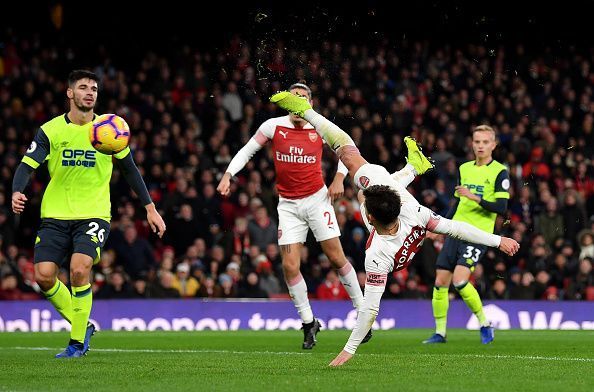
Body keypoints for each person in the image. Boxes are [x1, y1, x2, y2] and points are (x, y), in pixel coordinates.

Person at [269, 91, 519, 367]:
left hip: (394, 249)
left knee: (349, 152)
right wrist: (498, 240)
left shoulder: (375, 254)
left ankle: (310, 114)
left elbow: (370, 309)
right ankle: (413, 167)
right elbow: (457, 228)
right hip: (405, 230)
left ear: (370, 219)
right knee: (362, 167)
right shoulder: (415, 211)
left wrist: (348, 351)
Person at [218, 83, 430, 349]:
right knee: (289, 267)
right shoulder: (273, 126)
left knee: (336, 257)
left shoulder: (317, 127)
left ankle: (361, 313)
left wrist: (339, 178)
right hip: (288, 205)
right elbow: (249, 149)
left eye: (304, 98)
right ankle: (309, 323)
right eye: (294, 97)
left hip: (318, 200)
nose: (298, 102)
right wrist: (229, 173)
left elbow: (344, 148)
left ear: (310, 103)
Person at [11, 70, 166, 358]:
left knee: (79, 269)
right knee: (44, 276)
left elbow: (130, 170)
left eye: (94, 88)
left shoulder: (109, 129)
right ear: (70, 93)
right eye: (83, 87)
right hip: (55, 215)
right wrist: (16, 191)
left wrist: (150, 208)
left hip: (93, 214)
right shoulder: (51, 130)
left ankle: (76, 343)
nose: (90, 92)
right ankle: (84, 325)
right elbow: (26, 164)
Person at [423, 125, 510, 345]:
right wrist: (440, 227)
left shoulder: (500, 171)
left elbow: (501, 207)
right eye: (477, 141)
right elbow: (457, 203)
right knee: (440, 281)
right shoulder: (464, 168)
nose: (480, 146)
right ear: (472, 143)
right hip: (455, 231)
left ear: (493, 145)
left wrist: (475, 197)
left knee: (460, 281)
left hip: (478, 234)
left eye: (485, 142)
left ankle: (484, 324)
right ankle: (440, 333)